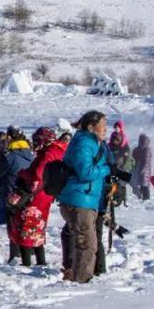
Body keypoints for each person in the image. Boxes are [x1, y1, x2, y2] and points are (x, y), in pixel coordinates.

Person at [57, 111, 112, 283]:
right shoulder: (83, 143)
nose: (106, 129)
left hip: (85, 199)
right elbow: (85, 172)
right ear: (91, 127)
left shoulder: (91, 142)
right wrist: (108, 169)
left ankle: (76, 278)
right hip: (79, 200)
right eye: (103, 126)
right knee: (87, 246)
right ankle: (80, 285)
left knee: (82, 243)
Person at [8, 127, 67, 266]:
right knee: (36, 230)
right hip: (44, 195)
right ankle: (40, 261)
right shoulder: (56, 150)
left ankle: (27, 263)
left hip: (37, 196)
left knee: (27, 228)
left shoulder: (48, 153)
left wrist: (23, 174)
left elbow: (38, 174)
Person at [0, 126, 34, 260]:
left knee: (13, 223)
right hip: (29, 192)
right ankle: (30, 250)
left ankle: (15, 254)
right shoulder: (30, 153)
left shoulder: (11, 155)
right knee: (27, 222)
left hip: (12, 192)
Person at [130, 133, 153, 201]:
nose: (141, 142)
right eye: (141, 140)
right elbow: (133, 159)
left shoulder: (147, 150)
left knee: (144, 185)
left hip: (144, 171)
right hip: (138, 169)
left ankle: (147, 199)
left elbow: (146, 162)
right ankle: (142, 197)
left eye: (143, 140)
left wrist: (142, 170)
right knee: (136, 184)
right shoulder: (137, 149)